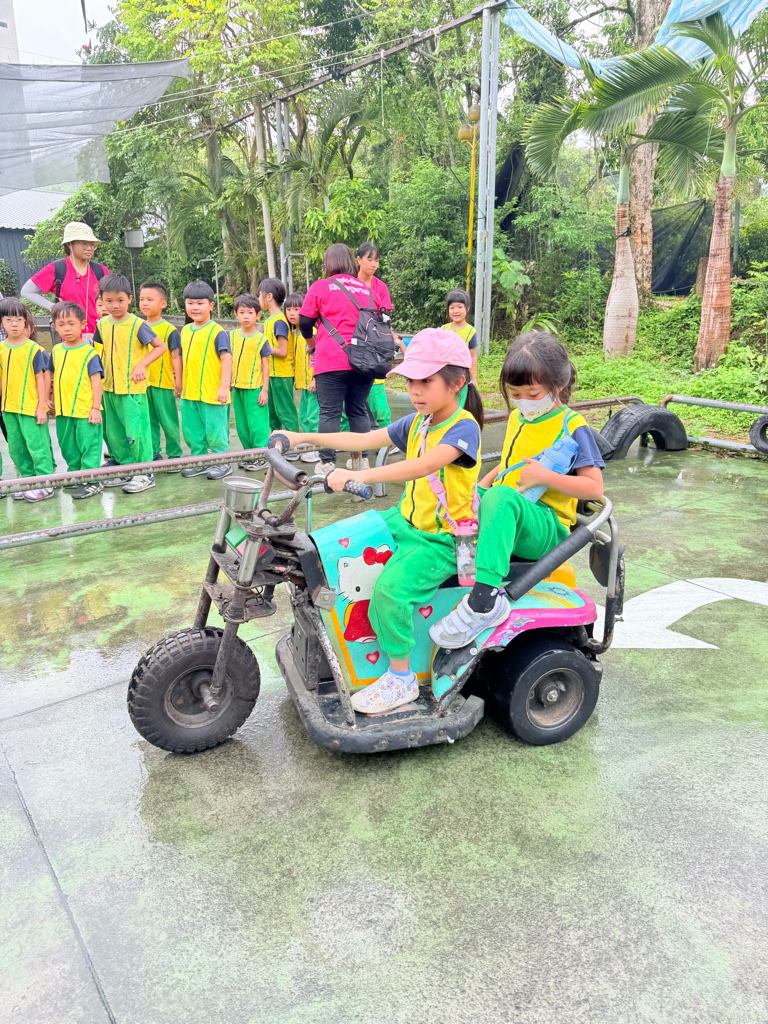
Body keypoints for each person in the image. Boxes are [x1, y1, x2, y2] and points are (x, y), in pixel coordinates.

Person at [272, 328, 484, 714]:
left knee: (390, 592)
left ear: (457, 383)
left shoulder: (463, 427)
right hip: (405, 520)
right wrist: (303, 437)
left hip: (440, 539)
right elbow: (365, 439)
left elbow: (425, 465)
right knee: (338, 542)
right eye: (411, 381)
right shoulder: (419, 421)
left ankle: (401, 679)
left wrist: (361, 476)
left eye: (425, 381)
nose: (415, 390)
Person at [429, 331, 605, 649]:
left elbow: (594, 488)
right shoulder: (518, 417)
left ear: (558, 386)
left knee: (500, 498)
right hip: (509, 507)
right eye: (515, 393)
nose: (524, 400)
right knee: (454, 493)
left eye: (533, 393)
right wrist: (479, 488)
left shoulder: (573, 426)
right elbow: (509, 464)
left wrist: (544, 477)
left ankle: (484, 601)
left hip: (545, 526)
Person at [298, 243, 380, 475]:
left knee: (329, 413)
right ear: (352, 263)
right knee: (358, 410)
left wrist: (312, 344)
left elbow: (304, 322)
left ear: (328, 264)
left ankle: (327, 463)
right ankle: (361, 460)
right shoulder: (367, 290)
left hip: (331, 360)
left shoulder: (320, 287)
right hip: (363, 361)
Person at [91, 274, 165, 494]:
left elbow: (160, 347)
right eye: (109, 301)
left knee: (137, 431)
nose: (115, 305)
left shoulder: (137, 325)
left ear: (130, 299)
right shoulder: (102, 324)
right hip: (109, 388)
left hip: (132, 388)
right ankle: (124, 467)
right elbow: (96, 351)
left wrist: (142, 364)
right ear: (101, 300)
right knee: (113, 432)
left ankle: (145, 472)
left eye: (120, 300)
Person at [0, 298, 55, 501]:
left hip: (31, 408)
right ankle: (28, 480)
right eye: (8, 319)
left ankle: (46, 482)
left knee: (37, 446)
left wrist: (41, 406)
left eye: (18, 319)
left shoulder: (34, 349)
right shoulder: (1, 348)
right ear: (2, 322)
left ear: (25, 321)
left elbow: (42, 378)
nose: (14, 324)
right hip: (9, 408)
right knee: (16, 448)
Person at [49, 301, 104, 500]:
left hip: (85, 409)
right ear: (54, 327)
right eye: (61, 324)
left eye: (71, 323)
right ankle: (75, 474)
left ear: (82, 325)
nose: (67, 328)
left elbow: (96, 381)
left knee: (89, 445)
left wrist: (96, 408)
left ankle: (92, 479)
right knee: (68, 445)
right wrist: (51, 399)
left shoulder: (89, 352)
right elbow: (54, 377)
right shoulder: (56, 350)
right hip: (63, 410)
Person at [178, 280, 233, 480]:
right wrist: (179, 385)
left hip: (212, 393)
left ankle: (222, 461)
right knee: (192, 431)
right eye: (190, 303)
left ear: (211, 305)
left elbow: (226, 358)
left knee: (215, 431)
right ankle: (200, 460)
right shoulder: (185, 330)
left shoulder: (217, 331)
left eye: (200, 303)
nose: (195, 307)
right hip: (190, 392)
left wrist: (224, 386)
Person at [21, 222, 109, 341]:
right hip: (68, 339)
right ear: (69, 244)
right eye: (84, 243)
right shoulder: (57, 269)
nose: (89, 248)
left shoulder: (101, 271)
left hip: (100, 336)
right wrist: (53, 307)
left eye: (92, 244)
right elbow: (27, 291)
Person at [139, 282, 182, 468]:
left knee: (168, 420)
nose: (144, 303)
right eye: (142, 299)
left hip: (163, 383)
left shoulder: (169, 329)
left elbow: (177, 357)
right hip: (143, 383)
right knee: (148, 420)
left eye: (150, 299)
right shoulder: (138, 327)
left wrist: (178, 383)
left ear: (163, 304)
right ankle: (154, 452)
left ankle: (174, 454)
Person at [357, 241, 394, 436]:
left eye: (376, 261)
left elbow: (385, 317)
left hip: (375, 344)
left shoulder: (381, 287)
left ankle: (388, 436)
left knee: (377, 396)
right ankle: (356, 438)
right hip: (355, 343)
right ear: (358, 260)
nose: (373, 264)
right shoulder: (350, 284)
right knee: (353, 397)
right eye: (369, 259)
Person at [231, 292, 271, 472]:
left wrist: (265, 390)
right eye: (242, 312)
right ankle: (249, 455)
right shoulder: (232, 336)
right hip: (237, 387)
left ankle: (262, 456)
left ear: (258, 315)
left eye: (250, 312)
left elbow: (266, 366)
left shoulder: (261, 339)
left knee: (257, 424)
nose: (246, 316)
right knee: (242, 424)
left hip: (255, 388)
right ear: (235, 315)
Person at [260, 277, 300, 457]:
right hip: (272, 374)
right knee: (273, 412)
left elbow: (283, 351)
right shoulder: (270, 320)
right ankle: (277, 443)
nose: (258, 299)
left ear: (269, 296)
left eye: (260, 295)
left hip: (282, 374)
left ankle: (294, 446)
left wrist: (262, 348)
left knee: (285, 411)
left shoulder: (279, 321)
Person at [286, 291, 321, 466]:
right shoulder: (294, 335)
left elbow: (317, 357)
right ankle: (309, 445)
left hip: (313, 383)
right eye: (289, 309)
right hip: (303, 384)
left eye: (296, 309)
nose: (292, 313)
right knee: (304, 416)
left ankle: (317, 448)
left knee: (314, 417)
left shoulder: (312, 333)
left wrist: (315, 379)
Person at [442, 289, 478, 404]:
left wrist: (474, 378)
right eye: (452, 308)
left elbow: (473, 356)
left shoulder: (471, 331)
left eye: (460, 307)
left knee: (460, 403)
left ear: (467, 309)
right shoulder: (443, 329)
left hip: (462, 375)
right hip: (444, 373)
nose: (456, 311)